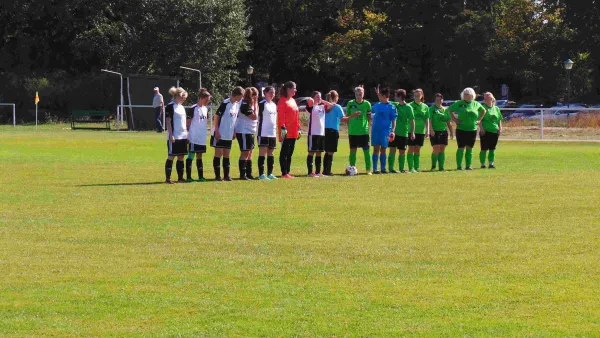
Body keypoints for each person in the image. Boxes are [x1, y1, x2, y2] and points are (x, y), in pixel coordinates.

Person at [448, 87, 487, 170]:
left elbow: (484, 111)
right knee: (461, 147)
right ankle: (459, 166)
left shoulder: (476, 104)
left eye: (468, 94)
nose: (466, 95)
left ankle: (468, 166)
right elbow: (449, 109)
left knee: (469, 148)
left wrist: (479, 120)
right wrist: (454, 119)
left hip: (472, 129)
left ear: (472, 95)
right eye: (465, 94)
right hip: (461, 129)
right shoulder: (459, 103)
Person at [211, 86, 244, 181]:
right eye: (241, 96)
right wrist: (216, 131)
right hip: (220, 133)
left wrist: (234, 131)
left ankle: (226, 176)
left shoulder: (237, 105)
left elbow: (234, 119)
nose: (241, 98)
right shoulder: (225, 103)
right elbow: (216, 117)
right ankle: (217, 176)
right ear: (237, 95)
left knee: (227, 155)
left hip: (229, 134)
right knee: (218, 154)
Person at [164, 87, 190, 184]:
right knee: (171, 156)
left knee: (181, 157)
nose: (185, 99)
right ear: (179, 96)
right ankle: (168, 179)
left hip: (182, 136)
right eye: (184, 97)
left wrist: (186, 134)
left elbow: (183, 122)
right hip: (174, 136)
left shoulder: (182, 107)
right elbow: (168, 121)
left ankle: (180, 178)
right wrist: (171, 134)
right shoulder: (170, 106)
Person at [185, 88, 211, 182]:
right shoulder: (193, 108)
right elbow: (188, 123)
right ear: (201, 98)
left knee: (199, 156)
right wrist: (187, 135)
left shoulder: (205, 109)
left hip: (201, 137)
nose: (208, 101)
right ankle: (188, 177)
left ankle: (201, 177)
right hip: (193, 137)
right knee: (191, 156)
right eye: (207, 99)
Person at [346, 86, 372, 174]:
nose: (358, 96)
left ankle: (368, 170)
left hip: (364, 132)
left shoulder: (367, 104)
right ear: (355, 94)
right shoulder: (350, 103)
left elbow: (369, 117)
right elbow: (347, 117)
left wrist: (365, 126)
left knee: (366, 151)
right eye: (357, 94)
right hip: (353, 132)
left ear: (363, 94)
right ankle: (352, 169)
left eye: (360, 94)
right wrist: (350, 127)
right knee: (353, 151)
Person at [306, 91, 334, 177]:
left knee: (319, 153)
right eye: (317, 97)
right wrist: (314, 100)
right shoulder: (311, 107)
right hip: (313, 133)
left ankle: (318, 172)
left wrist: (322, 101)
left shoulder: (322, 106)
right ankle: (310, 172)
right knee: (311, 152)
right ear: (313, 97)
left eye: (320, 97)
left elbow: (331, 105)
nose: (319, 98)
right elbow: (309, 101)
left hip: (321, 133)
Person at [370, 87, 397, 174]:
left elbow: (394, 120)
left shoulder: (392, 107)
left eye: (380, 95)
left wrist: (392, 130)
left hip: (385, 131)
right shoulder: (376, 105)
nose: (379, 96)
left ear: (385, 96)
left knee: (384, 149)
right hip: (375, 130)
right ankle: (375, 169)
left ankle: (383, 168)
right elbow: (369, 113)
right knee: (376, 149)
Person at [277, 81, 301, 178]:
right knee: (285, 151)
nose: (295, 90)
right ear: (288, 89)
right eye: (293, 88)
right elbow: (280, 117)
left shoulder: (293, 100)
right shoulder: (282, 101)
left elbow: (296, 116)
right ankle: (284, 172)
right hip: (285, 131)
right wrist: (283, 128)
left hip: (293, 131)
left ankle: (288, 172)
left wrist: (298, 128)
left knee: (290, 152)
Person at [388, 89, 415, 173]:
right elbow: (385, 100)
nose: (394, 97)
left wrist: (413, 132)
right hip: (393, 133)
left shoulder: (409, 107)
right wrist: (378, 94)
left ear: (400, 97)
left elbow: (412, 121)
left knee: (402, 151)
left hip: (403, 133)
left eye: (396, 96)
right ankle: (391, 169)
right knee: (392, 150)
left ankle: (401, 169)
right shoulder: (395, 105)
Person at [236, 87, 259, 180]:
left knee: (250, 153)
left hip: (250, 131)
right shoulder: (245, 104)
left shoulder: (250, 103)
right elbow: (254, 117)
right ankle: (242, 174)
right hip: (244, 131)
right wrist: (256, 105)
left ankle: (249, 173)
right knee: (245, 152)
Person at [323, 90, 348, 176]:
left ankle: (324, 170)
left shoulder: (325, 106)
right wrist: (353, 116)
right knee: (331, 152)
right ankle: (328, 171)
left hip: (324, 131)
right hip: (333, 131)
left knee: (326, 151)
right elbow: (343, 119)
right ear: (335, 97)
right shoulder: (337, 107)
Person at [257, 86, 278, 180]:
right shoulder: (261, 104)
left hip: (272, 132)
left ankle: (270, 173)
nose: (272, 94)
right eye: (270, 92)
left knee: (271, 153)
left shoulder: (274, 104)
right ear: (265, 93)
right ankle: (261, 174)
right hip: (263, 132)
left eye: (273, 92)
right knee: (262, 152)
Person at [428, 93, 454, 171]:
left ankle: (441, 167)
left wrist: (451, 132)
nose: (438, 101)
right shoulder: (431, 109)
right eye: (437, 100)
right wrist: (431, 130)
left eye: (440, 99)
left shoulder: (446, 109)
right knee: (436, 148)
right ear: (434, 100)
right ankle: (433, 167)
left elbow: (448, 122)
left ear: (442, 100)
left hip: (443, 132)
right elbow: (430, 120)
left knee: (442, 149)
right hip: (435, 131)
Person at [407, 88, 430, 172]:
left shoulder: (425, 106)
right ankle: (411, 168)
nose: (416, 96)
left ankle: (416, 167)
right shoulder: (409, 105)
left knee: (418, 149)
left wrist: (427, 130)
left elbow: (427, 119)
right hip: (411, 130)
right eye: (415, 95)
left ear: (421, 96)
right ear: (413, 96)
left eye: (418, 95)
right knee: (411, 148)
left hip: (421, 131)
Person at [479, 92, 503, 169]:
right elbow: (479, 120)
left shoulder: (496, 108)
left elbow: (499, 119)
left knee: (492, 148)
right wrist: (481, 128)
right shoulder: (482, 108)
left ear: (492, 98)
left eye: (488, 97)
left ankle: (491, 164)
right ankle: (482, 164)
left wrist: (500, 128)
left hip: (494, 131)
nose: (486, 99)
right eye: (485, 97)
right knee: (484, 149)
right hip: (485, 131)